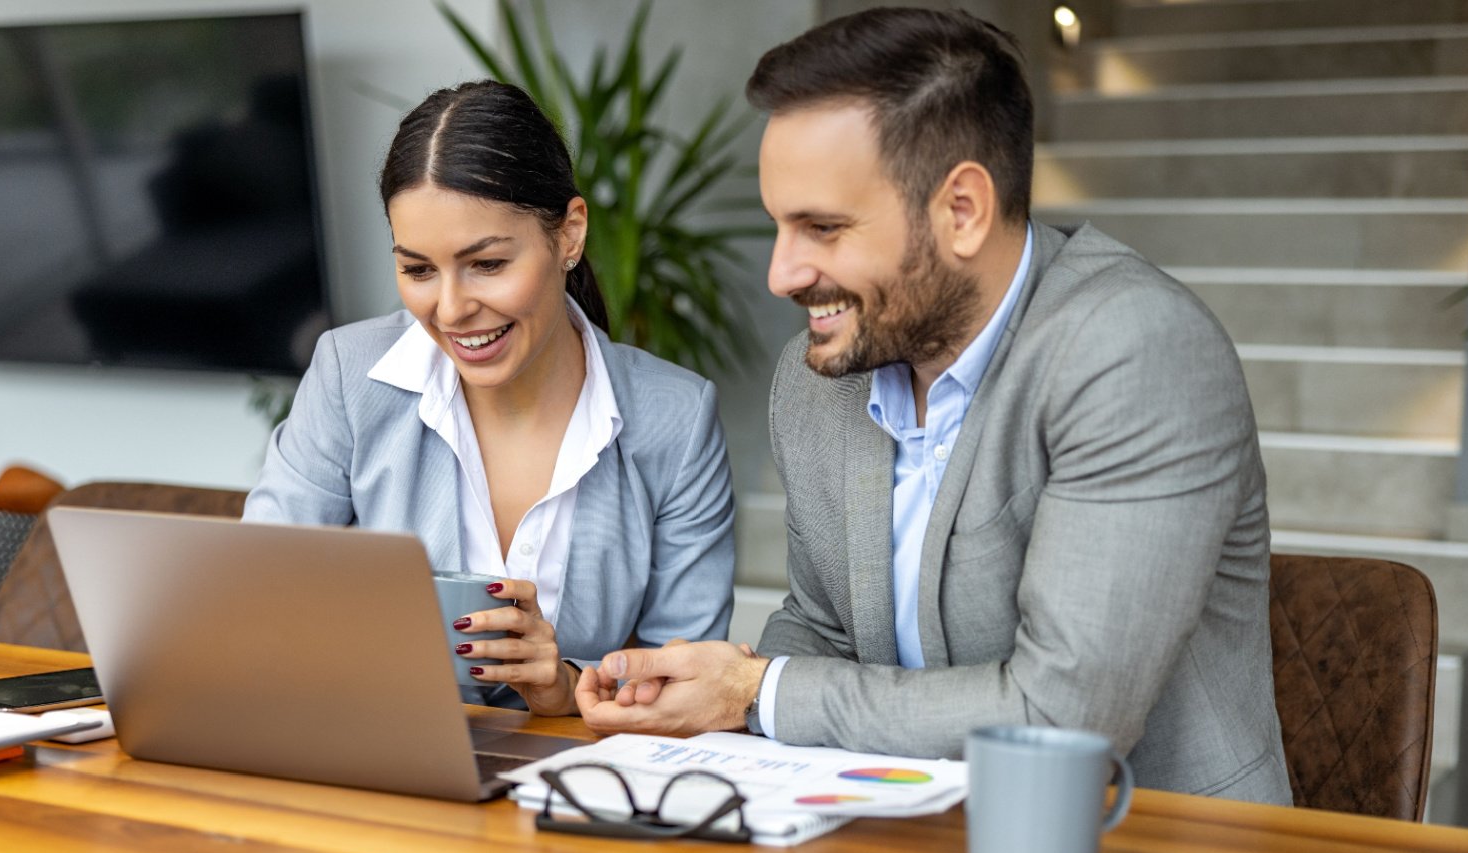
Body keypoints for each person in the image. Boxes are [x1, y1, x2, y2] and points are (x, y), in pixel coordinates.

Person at [576, 7, 1292, 804]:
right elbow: (820, 628)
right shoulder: (818, 378)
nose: (782, 274)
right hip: (899, 833)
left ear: (962, 210)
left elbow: (1061, 719)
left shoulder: (1134, 350)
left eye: (823, 228)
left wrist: (755, 693)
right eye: (780, 225)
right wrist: (725, 699)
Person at [243, 80, 735, 715]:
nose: (450, 309)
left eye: (488, 264)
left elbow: (688, 680)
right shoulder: (349, 375)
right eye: (418, 270)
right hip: (382, 752)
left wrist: (561, 684)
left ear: (570, 235)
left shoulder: (676, 418)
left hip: (571, 780)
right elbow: (259, 598)